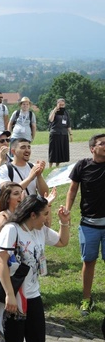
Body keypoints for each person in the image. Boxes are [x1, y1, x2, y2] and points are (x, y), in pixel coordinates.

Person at [0, 195, 70, 342]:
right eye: (45, 214)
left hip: (33, 296)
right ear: (32, 215)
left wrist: (64, 222)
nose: (47, 218)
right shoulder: (12, 229)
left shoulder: (40, 230)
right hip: (14, 296)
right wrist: (9, 295)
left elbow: (63, 241)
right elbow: (1, 261)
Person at [65, 133, 105, 316]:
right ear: (92, 148)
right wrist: (67, 210)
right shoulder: (82, 165)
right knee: (89, 262)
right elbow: (72, 190)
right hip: (88, 223)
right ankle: (86, 299)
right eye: (102, 144)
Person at [48, 98, 72, 168]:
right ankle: (50, 166)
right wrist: (55, 110)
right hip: (55, 133)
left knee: (60, 151)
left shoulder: (66, 113)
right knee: (53, 151)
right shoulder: (54, 111)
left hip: (63, 134)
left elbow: (68, 124)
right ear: (57, 104)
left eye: (63, 105)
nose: (61, 106)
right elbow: (50, 119)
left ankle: (57, 166)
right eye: (60, 104)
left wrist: (71, 134)